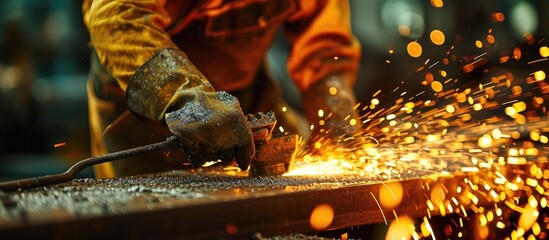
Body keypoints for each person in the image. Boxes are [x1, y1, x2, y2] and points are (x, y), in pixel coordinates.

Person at [82, 0, 362, 178]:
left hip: (246, 95)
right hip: (145, 106)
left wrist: (336, 114)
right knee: (157, 219)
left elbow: (324, 42)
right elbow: (117, 18)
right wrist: (189, 99)